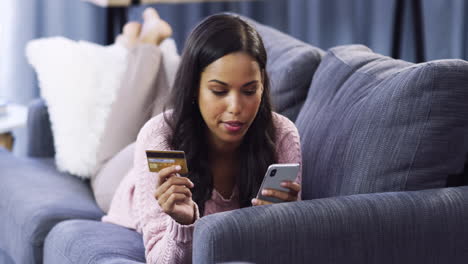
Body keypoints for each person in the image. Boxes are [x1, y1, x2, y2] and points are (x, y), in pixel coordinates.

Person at [102, 9, 302, 264]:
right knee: (114, 148)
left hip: (183, 123)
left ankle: (135, 42)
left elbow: (289, 250)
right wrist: (181, 225)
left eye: (249, 90)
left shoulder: (282, 134)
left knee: (162, 112)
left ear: (263, 84)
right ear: (194, 88)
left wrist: (284, 220)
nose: (235, 108)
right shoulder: (158, 135)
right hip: (120, 179)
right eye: (219, 91)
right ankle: (144, 42)